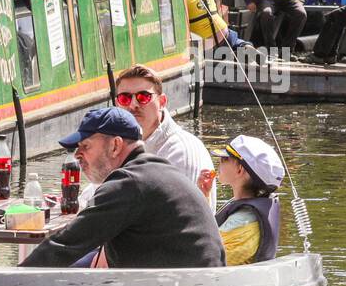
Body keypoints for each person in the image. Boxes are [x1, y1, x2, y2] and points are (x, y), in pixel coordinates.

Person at [21, 108, 225, 269]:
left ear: (115, 145)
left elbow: (65, 245)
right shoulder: (157, 171)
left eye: (86, 146)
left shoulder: (128, 182)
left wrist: (11, 281)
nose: (77, 155)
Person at [112, 65, 216, 209]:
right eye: (125, 98)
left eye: (143, 97)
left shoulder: (181, 152)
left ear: (162, 102)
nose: (133, 104)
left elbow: (180, 218)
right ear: (118, 105)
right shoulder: (119, 147)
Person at [212, 135, 284, 265]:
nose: (219, 162)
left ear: (240, 169)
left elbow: (208, 261)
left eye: (225, 159)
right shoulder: (244, 209)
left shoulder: (244, 220)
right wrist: (203, 196)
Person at [184, 0, 249, 53]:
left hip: (206, 44)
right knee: (234, 40)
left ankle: (235, 54)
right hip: (224, 33)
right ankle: (245, 46)